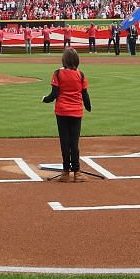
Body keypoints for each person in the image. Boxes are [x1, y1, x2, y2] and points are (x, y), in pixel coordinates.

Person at [45, 48, 91, 183]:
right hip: (76, 112)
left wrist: (44, 99)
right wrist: (89, 107)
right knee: (74, 143)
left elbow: (54, 94)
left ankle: (65, 172)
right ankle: (77, 172)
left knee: (65, 142)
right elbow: (85, 95)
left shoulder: (58, 74)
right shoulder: (81, 75)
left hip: (62, 111)